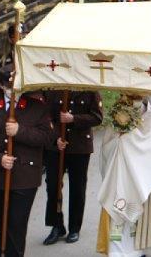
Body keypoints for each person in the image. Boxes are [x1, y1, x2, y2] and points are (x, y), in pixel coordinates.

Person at [0, 65, 53, 257]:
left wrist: (20, 131)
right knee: (1, 225)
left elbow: (47, 138)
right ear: (2, 86)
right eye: (9, 86)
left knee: (16, 225)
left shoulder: (38, 108)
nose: (13, 90)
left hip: (24, 177)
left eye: (17, 86)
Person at [96, 93, 151, 257]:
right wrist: (119, 140)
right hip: (119, 173)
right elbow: (107, 144)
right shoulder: (117, 113)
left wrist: (130, 139)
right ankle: (117, 250)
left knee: (140, 214)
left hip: (142, 178)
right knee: (118, 212)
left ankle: (141, 248)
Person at [41, 89, 103, 245]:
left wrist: (74, 118)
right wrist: (55, 138)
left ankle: (74, 228)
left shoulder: (89, 90)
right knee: (53, 186)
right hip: (56, 147)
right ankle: (56, 225)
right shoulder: (54, 88)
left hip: (79, 146)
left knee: (77, 188)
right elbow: (46, 117)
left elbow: (97, 117)